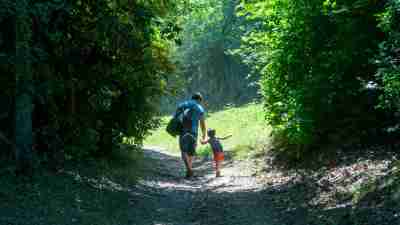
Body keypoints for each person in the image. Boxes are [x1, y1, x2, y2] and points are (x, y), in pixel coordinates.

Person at [176, 93, 207, 178]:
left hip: (183, 131)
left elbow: (175, 118)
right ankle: (189, 169)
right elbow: (202, 123)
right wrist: (204, 135)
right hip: (194, 132)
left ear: (192, 98)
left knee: (183, 151)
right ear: (199, 100)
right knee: (191, 152)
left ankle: (188, 169)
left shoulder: (182, 105)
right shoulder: (199, 108)